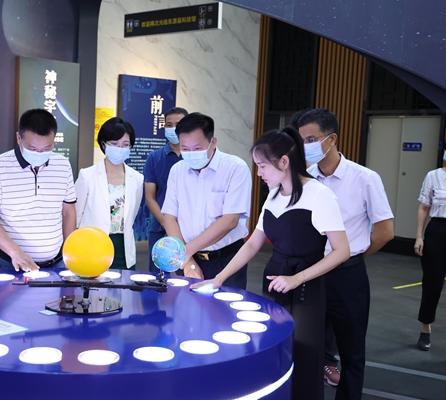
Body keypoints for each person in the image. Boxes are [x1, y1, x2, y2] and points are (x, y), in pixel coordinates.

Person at [192, 126, 350, 400]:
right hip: (274, 282)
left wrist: (297, 278)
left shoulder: (319, 195)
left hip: (304, 288)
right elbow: (252, 243)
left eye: (262, 165)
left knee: (302, 353)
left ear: (284, 162)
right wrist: (219, 278)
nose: (259, 173)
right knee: (273, 348)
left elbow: (342, 251)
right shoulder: (273, 196)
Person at [297, 108, 394, 400]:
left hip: (347, 275)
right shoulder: (305, 179)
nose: (306, 146)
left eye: (311, 139)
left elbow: (385, 231)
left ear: (332, 139)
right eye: (301, 140)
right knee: (305, 345)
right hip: (309, 272)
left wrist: (350, 257)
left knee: (352, 351)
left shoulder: (364, 178)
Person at [0, 108, 77, 272]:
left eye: (46, 148)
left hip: (57, 262)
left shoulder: (63, 166)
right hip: (12, 263)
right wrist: (15, 253)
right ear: (19, 138)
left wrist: (69, 250)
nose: (39, 153)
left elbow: (68, 211)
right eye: (33, 148)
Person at [162, 112, 252, 289]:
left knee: (225, 305)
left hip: (225, 260)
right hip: (187, 261)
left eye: (197, 148)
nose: (191, 154)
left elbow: (230, 221)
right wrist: (188, 262)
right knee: (185, 305)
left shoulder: (235, 168)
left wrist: (184, 253)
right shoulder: (177, 170)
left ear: (213, 141)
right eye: (185, 149)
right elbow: (170, 217)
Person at [75, 117, 144, 270]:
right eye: (114, 144)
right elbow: (76, 216)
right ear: (103, 144)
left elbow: (132, 214)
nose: (120, 148)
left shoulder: (137, 178)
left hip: (123, 248)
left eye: (125, 145)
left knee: (124, 284)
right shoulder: (87, 175)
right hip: (91, 246)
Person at [143, 107, 188, 272]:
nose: (173, 128)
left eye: (178, 124)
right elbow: (150, 197)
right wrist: (167, 225)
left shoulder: (194, 158)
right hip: (159, 228)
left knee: (187, 276)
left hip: (190, 229)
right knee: (158, 277)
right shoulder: (154, 158)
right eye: (169, 125)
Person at [414, 155, 446, 351]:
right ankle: (425, 328)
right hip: (437, 232)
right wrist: (419, 236)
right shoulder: (433, 176)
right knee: (432, 283)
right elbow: (424, 207)